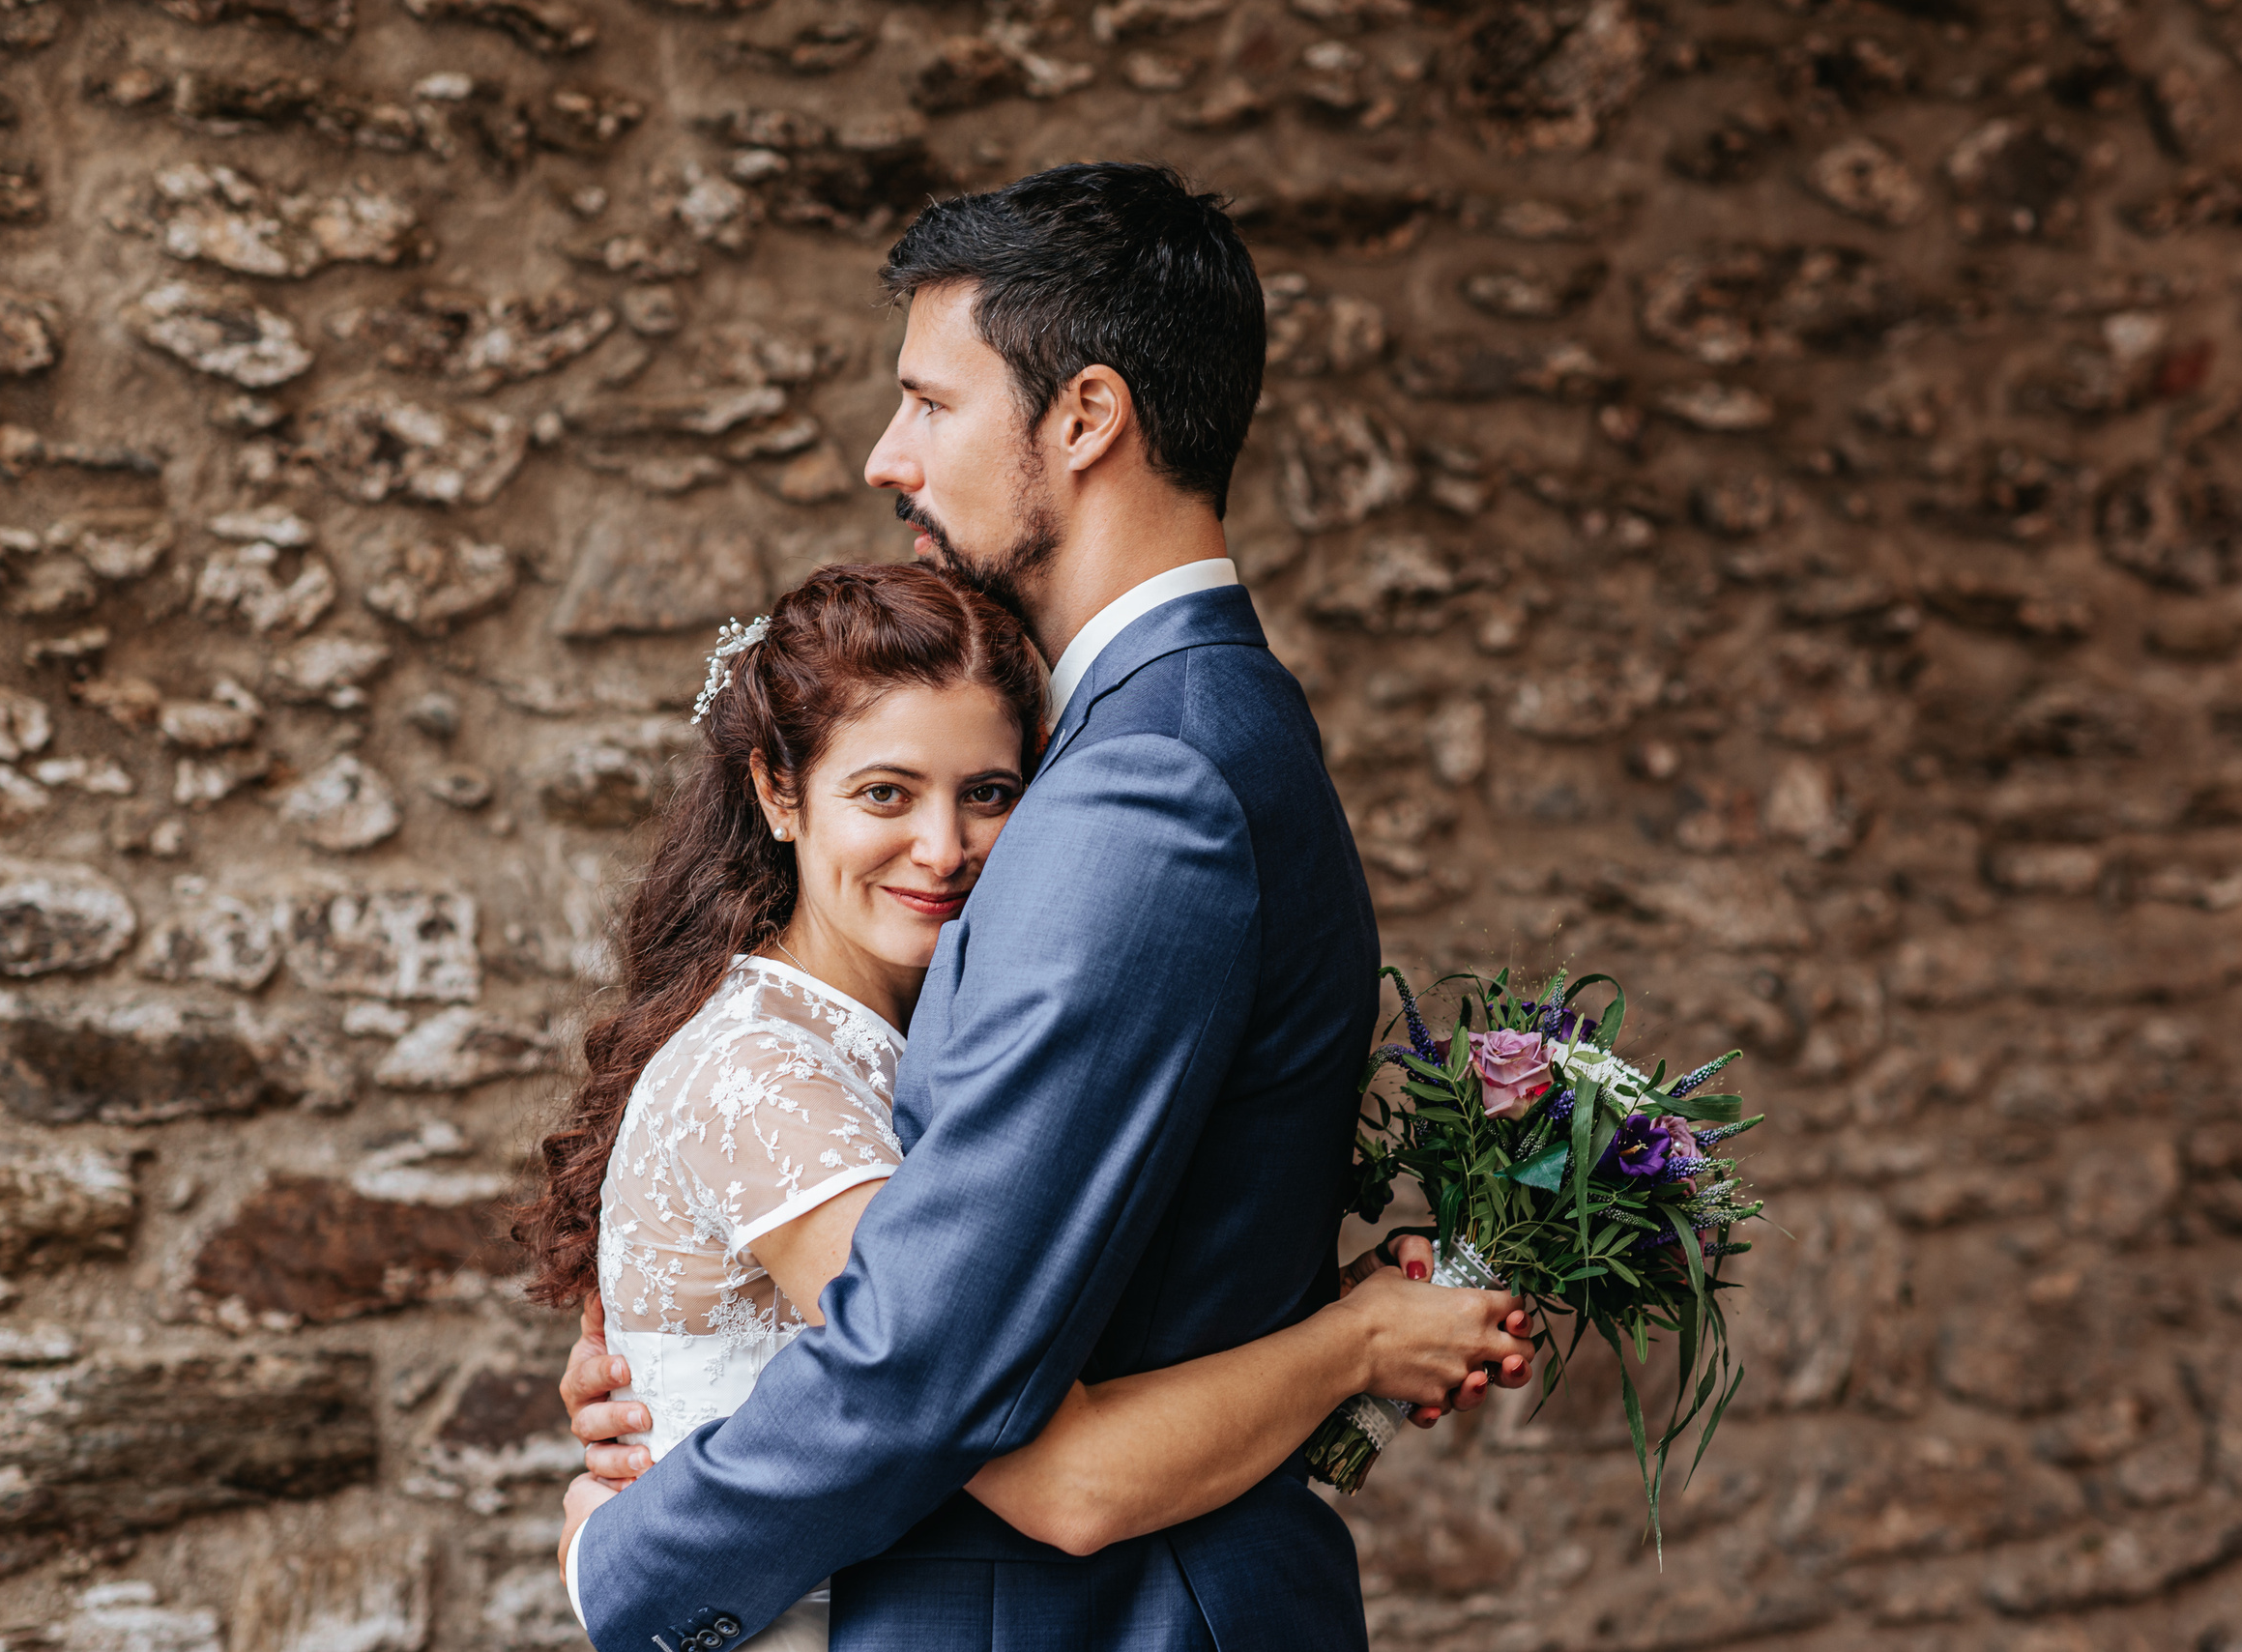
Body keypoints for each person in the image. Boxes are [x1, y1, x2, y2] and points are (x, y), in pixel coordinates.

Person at [541, 162, 1532, 1652]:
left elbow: (927, 1357)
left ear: (1084, 415)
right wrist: (699, 1328)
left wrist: (625, 1561)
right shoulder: (1175, 726)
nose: (891, 453)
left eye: (933, 403)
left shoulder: (1149, 783)